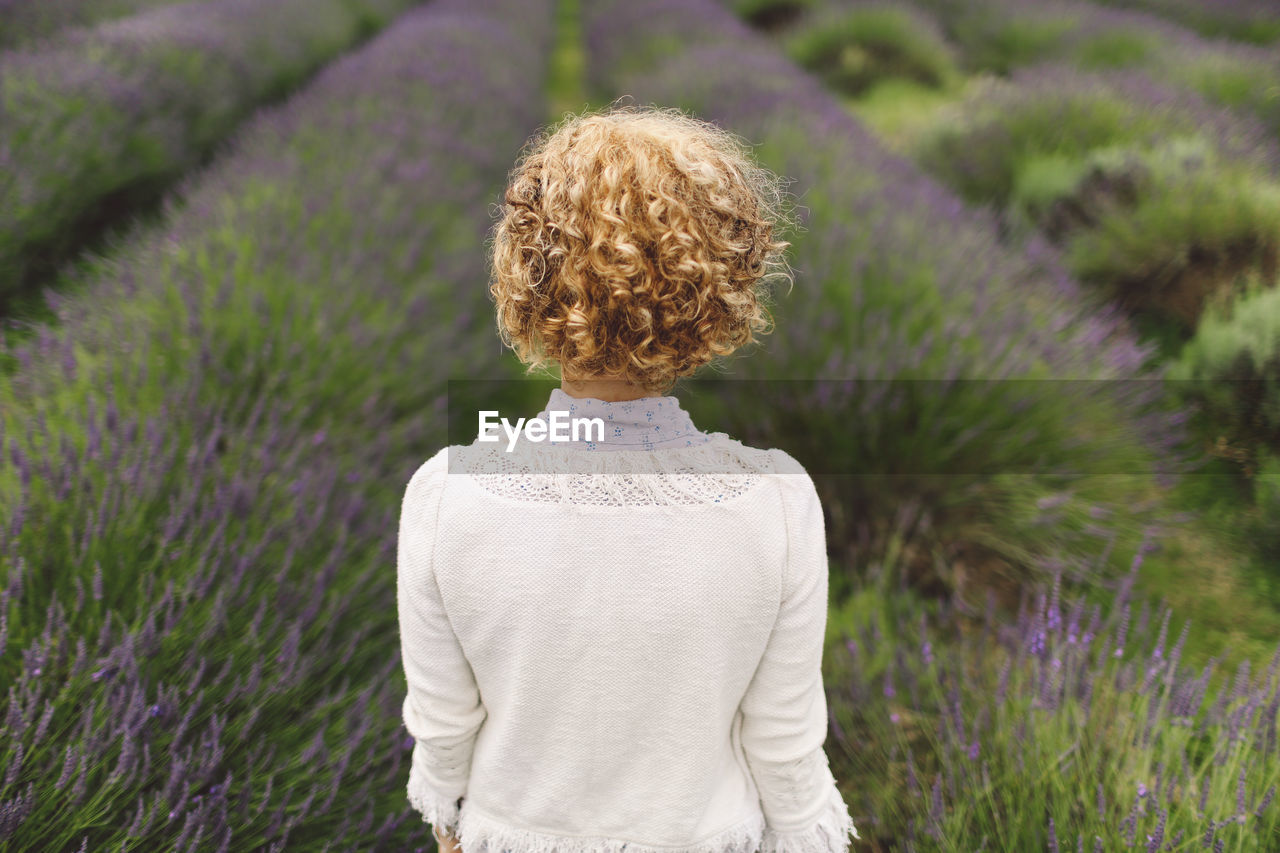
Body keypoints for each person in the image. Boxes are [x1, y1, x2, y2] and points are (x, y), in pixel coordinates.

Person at [396, 102, 860, 853]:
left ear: (526, 280)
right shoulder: (776, 502)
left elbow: (445, 731)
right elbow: (784, 748)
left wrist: (453, 827)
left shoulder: (449, 493)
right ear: (717, 293)